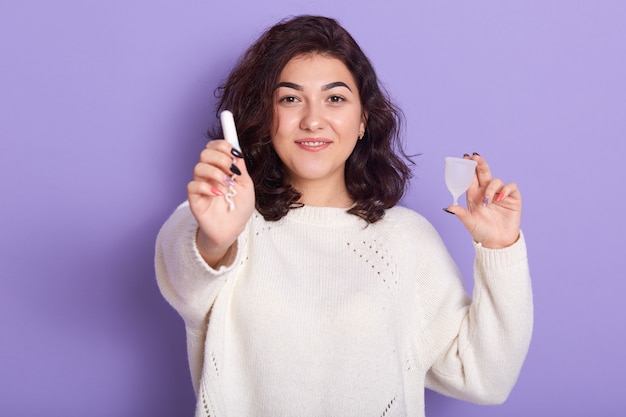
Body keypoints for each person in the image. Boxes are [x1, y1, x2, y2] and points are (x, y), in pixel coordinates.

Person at [155, 15, 533, 417]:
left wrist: (500, 248)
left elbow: (486, 380)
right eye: (290, 98)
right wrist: (215, 240)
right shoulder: (223, 222)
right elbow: (184, 270)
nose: (313, 119)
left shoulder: (407, 239)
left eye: (335, 98)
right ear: (266, 117)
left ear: (362, 120)